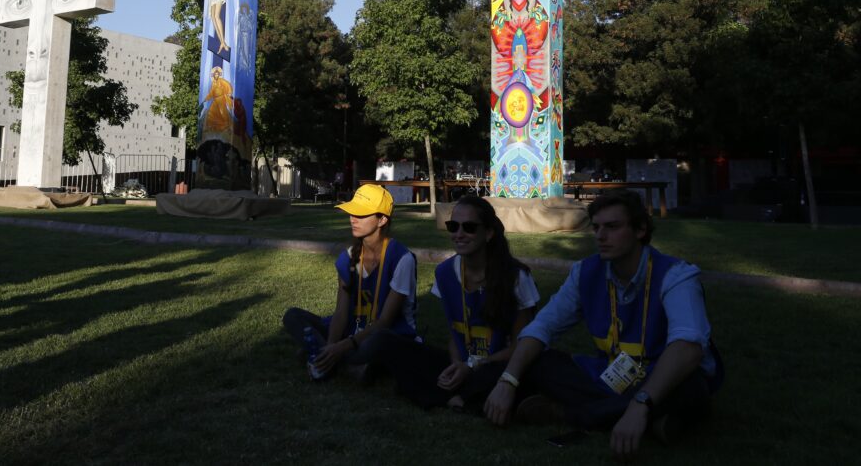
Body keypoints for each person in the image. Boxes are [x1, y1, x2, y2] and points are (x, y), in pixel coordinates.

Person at [484, 189, 723, 460]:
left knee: (690, 387)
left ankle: (570, 413)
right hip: (611, 376)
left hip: (662, 376)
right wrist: (508, 380)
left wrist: (640, 403)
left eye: (612, 227)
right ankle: (652, 420)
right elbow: (543, 327)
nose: (600, 236)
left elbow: (688, 347)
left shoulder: (676, 276)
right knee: (539, 362)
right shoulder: (586, 272)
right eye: (596, 227)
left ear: (640, 230)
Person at [373, 195, 539, 411]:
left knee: (523, 373)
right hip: (464, 363)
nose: (459, 234)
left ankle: (453, 397)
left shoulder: (516, 278)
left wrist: (473, 367)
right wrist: (457, 365)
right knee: (389, 342)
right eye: (453, 226)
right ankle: (463, 398)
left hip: (499, 365)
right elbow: (455, 335)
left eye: (469, 227)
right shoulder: (445, 273)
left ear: (488, 233)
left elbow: (520, 347)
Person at [282, 184, 417, 377]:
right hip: (352, 329)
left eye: (361, 214)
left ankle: (321, 356)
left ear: (382, 220)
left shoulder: (402, 259)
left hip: (385, 332)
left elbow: (385, 321)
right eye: (352, 212)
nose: (353, 218)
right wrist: (331, 348)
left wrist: (341, 347)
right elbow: (340, 314)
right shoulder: (348, 257)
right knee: (293, 316)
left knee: (382, 341)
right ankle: (346, 365)